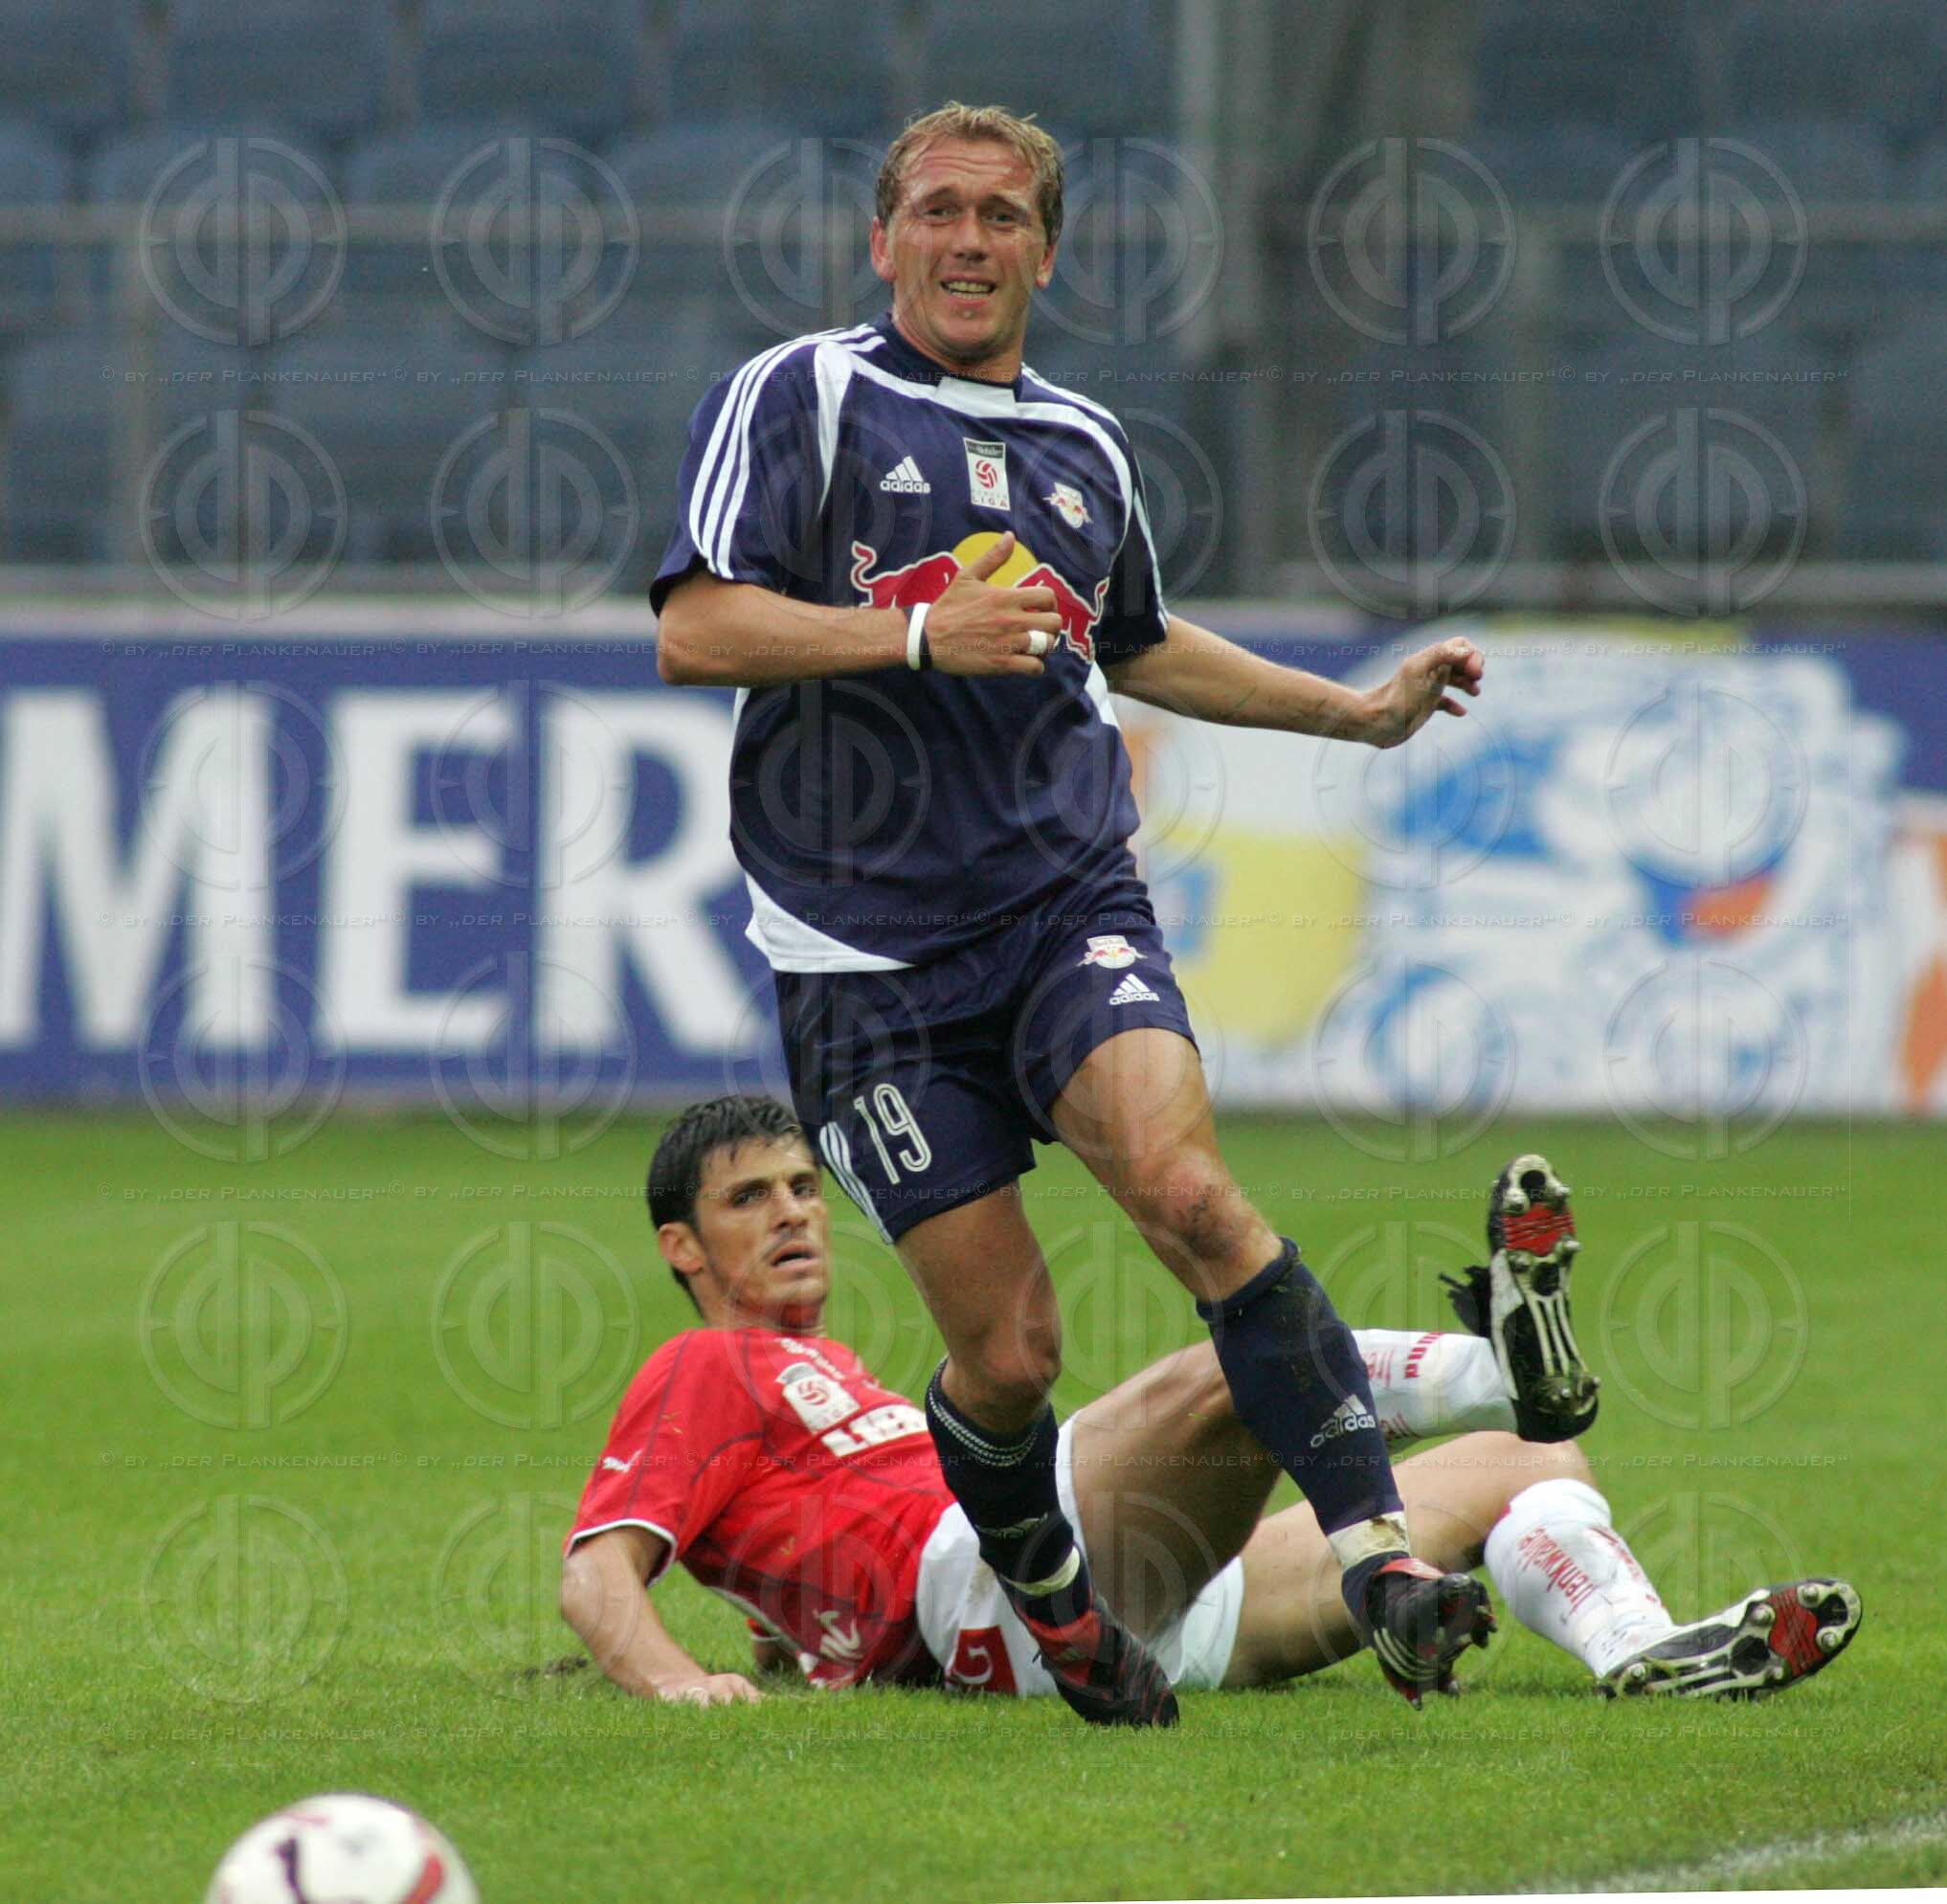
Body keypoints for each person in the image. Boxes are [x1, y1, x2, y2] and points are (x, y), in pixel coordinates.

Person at [648, 99, 1530, 1727]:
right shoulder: (806, 393)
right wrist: (914, 638)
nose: (965, 242)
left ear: (1044, 251)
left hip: (1061, 899)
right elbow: (696, 629)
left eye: (999, 217)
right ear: (881, 238)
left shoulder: (1080, 443)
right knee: (1011, 1357)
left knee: (1190, 1191)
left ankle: (1377, 1556)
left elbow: (1133, 641)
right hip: (866, 965)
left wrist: (1357, 713)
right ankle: (1055, 1607)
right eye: (935, 212)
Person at [557, 1098, 1861, 1710]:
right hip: (1002, 1589)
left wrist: (796, 1645)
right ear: (682, 1247)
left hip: (1141, 1613)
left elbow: (793, 1544)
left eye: (801, 1185)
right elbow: (599, 1576)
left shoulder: (823, 1373)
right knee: (1224, 1363)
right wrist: (680, 1689)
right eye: (748, 1197)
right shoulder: (698, 1367)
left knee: (1534, 1457)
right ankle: (1490, 1360)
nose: (791, 1210)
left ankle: (1633, 1648)